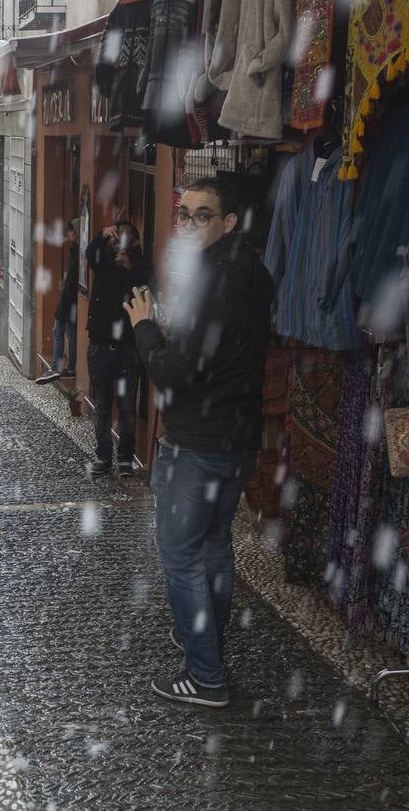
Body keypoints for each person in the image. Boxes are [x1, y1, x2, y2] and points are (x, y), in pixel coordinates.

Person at [122, 178, 273, 709]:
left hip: (198, 442)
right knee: (213, 547)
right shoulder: (254, 272)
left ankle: (205, 674)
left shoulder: (210, 281)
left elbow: (174, 372)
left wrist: (145, 329)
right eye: (182, 214)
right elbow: (224, 353)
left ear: (229, 223)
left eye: (200, 216)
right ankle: (203, 639)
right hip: (236, 439)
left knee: (182, 555)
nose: (185, 225)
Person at [84, 219, 152, 478]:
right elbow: (90, 254)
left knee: (126, 407)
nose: (119, 240)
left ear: (134, 242)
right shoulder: (103, 262)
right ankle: (103, 456)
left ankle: (125, 458)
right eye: (117, 236)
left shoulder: (140, 265)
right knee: (101, 405)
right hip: (100, 345)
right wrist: (102, 235)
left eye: (125, 236)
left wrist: (130, 268)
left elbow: (146, 285)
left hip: (127, 347)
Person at [36, 221, 80, 384]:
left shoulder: (77, 254)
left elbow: (73, 280)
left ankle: (57, 368)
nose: (67, 234)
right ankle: (66, 367)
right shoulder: (75, 252)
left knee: (61, 332)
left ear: (76, 233)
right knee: (67, 333)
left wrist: (66, 296)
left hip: (69, 301)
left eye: (70, 232)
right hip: (69, 301)